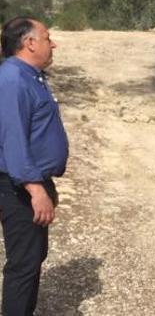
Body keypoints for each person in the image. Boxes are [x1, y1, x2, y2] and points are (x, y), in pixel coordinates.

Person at [0, 17, 68, 315]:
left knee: (32, 256)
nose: (52, 43)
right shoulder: (12, 79)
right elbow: (13, 138)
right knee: (24, 265)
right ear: (29, 43)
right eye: (46, 37)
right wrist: (35, 188)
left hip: (30, 179)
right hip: (17, 185)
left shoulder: (30, 76)